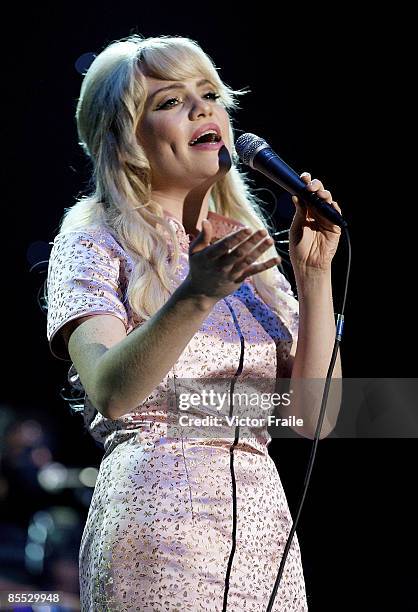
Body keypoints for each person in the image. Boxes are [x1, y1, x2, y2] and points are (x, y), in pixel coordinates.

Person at [46, 34, 342, 611]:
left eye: (208, 94)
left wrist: (313, 275)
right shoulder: (95, 237)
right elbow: (111, 391)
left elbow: (316, 417)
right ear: (126, 139)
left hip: (265, 534)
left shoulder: (251, 257)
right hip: (158, 524)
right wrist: (196, 294)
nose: (203, 109)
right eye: (170, 101)